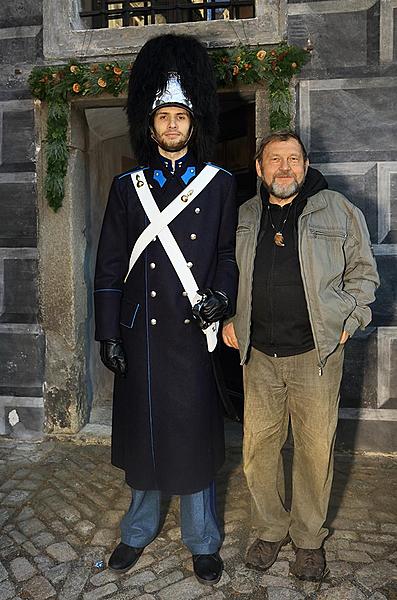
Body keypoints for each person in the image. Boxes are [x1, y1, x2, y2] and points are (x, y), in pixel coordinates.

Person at [94, 34, 238, 585]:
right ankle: (136, 531)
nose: (173, 126)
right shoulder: (126, 187)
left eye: (181, 116)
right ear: (149, 127)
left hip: (191, 334)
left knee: (193, 436)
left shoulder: (220, 185)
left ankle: (202, 539)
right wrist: (109, 332)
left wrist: (221, 297)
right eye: (164, 118)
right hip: (141, 337)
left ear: (193, 123)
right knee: (145, 434)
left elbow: (224, 254)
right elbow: (109, 265)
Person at [222, 130, 379, 581]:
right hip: (259, 358)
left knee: (313, 451)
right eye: (275, 160)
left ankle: (309, 538)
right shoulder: (245, 215)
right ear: (259, 167)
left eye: (293, 159)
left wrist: (350, 321)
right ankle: (271, 528)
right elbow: (228, 273)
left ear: (306, 166)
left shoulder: (338, 209)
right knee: (258, 450)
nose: (285, 168)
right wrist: (231, 318)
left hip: (316, 354)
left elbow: (364, 274)